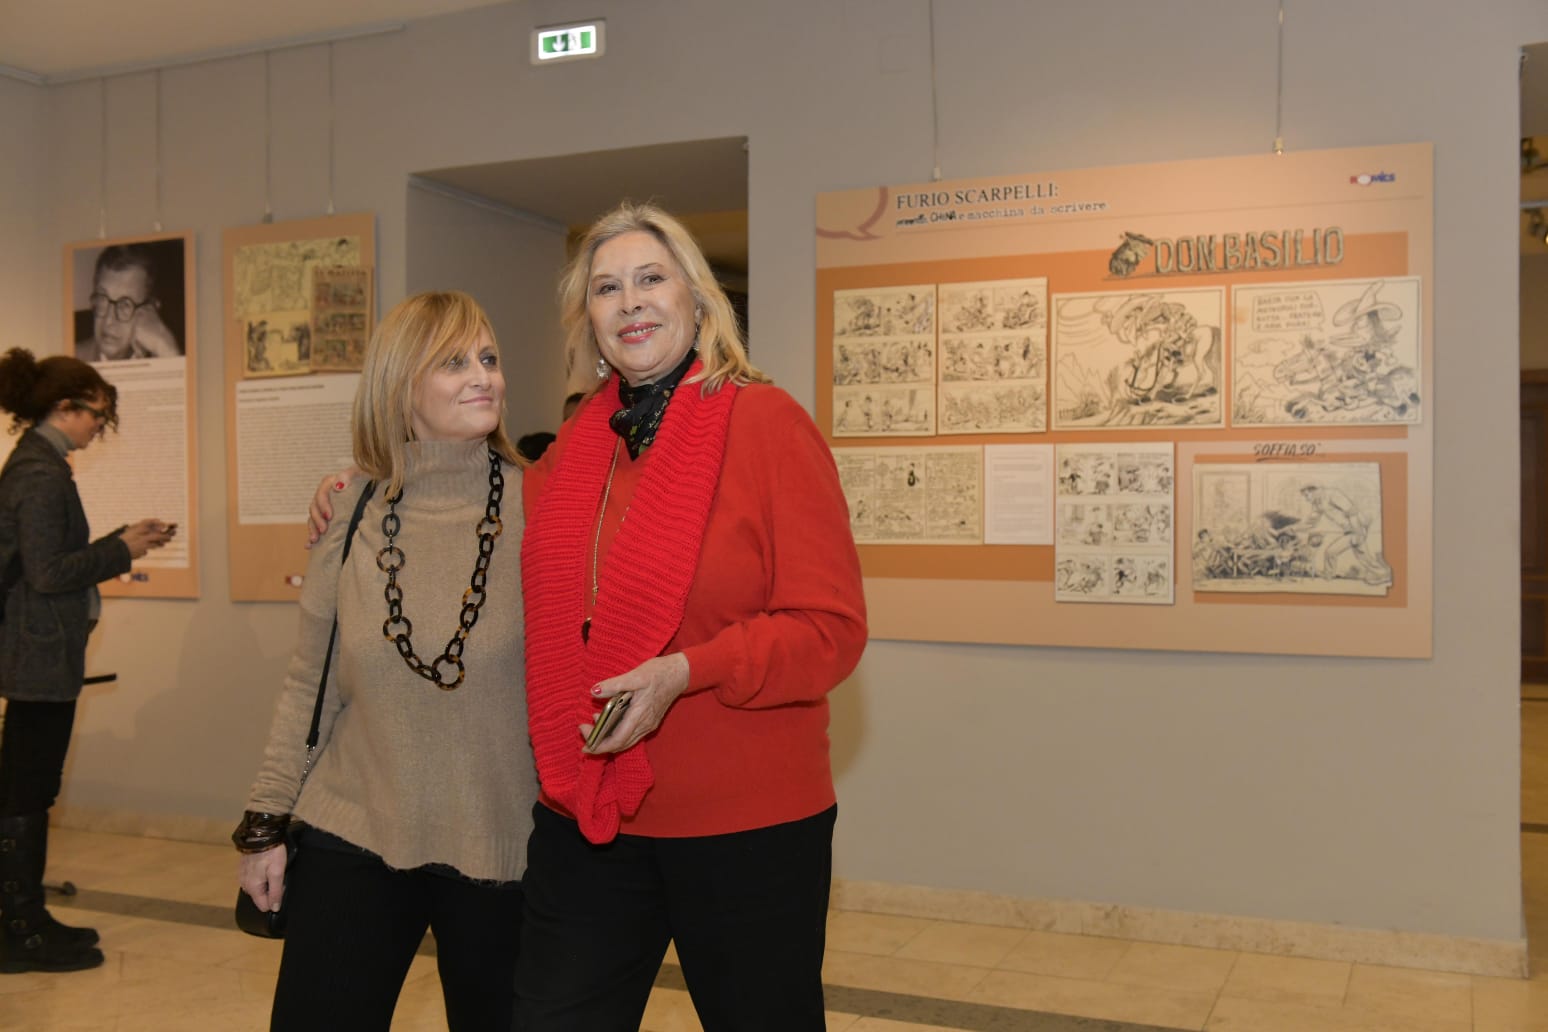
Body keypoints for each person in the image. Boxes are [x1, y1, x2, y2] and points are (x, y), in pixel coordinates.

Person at [516, 202, 866, 1030]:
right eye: (607, 288)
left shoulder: (767, 424)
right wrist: (358, 485)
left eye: (651, 279)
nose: (630, 302)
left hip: (747, 825)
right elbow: (477, 508)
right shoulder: (571, 453)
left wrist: (688, 671)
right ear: (588, 318)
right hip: (588, 813)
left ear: (697, 300)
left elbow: (831, 630)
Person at [236, 292, 536, 1031]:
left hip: (502, 843)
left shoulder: (544, 507)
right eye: (455, 362)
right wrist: (265, 823)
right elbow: (308, 684)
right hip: (355, 824)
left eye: (489, 358)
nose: (484, 377)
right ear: (401, 387)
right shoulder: (350, 508)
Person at [0, 349, 174, 973]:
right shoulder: (40, 473)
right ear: (64, 407)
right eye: (97, 414)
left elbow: (44, 561)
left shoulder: (39, 464)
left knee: (29, 786)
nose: (101, 426)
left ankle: (24, 918)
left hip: (36, 648)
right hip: (36, 652)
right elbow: (49, 574)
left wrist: (118, 542)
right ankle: (18, 931)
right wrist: (121, 550)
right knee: (27, 788)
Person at [74, 245, 182, 362]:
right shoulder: (73, 359)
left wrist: (167, 351)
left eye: (125, 304)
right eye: (102, 299)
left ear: (151, 311)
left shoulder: (164, 358)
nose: (108, 321)